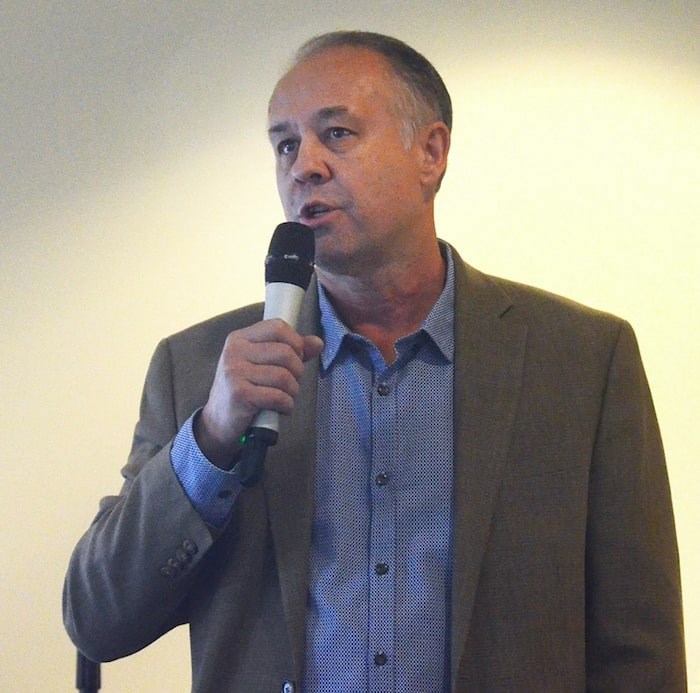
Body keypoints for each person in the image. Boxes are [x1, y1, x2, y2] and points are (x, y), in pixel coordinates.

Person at [63, 31, 686, 691]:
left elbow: (639, 651)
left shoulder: (582, 363)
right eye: (285, 143)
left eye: (337, 134)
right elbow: (98, 619)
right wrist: (212, 439)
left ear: (431, 152)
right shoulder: (197, 371)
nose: (303, 165)